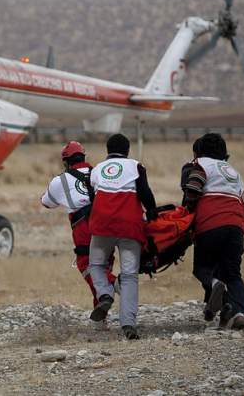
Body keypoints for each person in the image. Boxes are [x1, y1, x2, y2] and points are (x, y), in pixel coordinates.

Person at [88, 133, 157, 340]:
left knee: (97, 266)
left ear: (107, 150)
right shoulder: (136, 166)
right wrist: (152, 210)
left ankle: (105, 294)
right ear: (127, 151)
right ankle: (128, 325)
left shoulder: (97, 169)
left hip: (102, 225)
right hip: (130, 226)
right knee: (129, 276)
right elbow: (144, 192)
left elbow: (93, 197)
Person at [181, 133, 244, 330]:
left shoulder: (202, 164)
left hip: (210, 223)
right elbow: (240, 200)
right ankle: (237, 313)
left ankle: (214, 285)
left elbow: (193, 189)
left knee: (202, 268)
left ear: (200, 150)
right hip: (236, 225)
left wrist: (186, 212)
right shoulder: (233, 172)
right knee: (233, 273)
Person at [40, 141, 118, 313]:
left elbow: (46, 203)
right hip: (108, 224)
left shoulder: (59, 181)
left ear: (66, 162)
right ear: (83, 157)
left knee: (86, 265)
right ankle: (101, 312)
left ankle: (114, 283)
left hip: (83, 227)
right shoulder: (100, 172)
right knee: (102, 265)